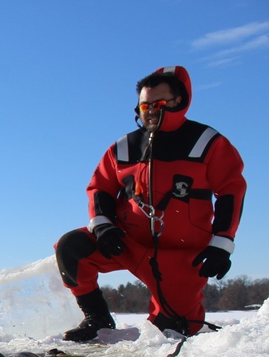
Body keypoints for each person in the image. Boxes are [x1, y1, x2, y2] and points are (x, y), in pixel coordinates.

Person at [55, 65, 246, 341]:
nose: (151, 111)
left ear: (179, 101)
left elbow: (232, 191)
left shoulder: (208, 143)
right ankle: (96, 319)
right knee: (71, 247)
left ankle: (182, 323)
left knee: (174, 332)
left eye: (158, 104)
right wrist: (103, 226)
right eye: (145, 106)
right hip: (126, 242)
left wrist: (221, 244)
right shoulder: (123, 148)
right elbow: (100, 188)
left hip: (181, 255)